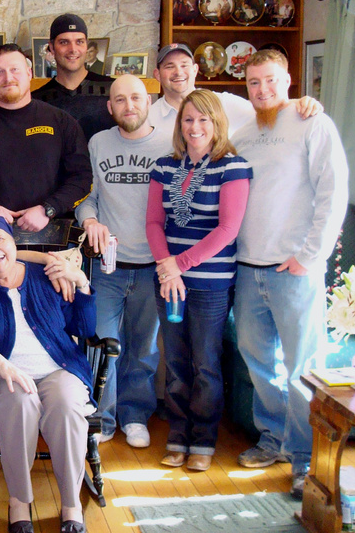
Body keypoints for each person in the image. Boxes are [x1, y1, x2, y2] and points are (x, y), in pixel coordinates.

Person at [232, 50, 348, 499]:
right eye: (254, 83)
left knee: (303, 368)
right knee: (259, 361)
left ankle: (305, 461)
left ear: (288, 79)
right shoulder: (243, 133)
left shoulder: (313, 123)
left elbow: (332, 191)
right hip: (247, 267)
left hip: (295, 269)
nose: (262, 90)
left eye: (270, 81)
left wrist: (310, 255)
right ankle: (273, 439)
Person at [0, 213, 97, 533]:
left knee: (68, 406)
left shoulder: (48, 276)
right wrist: (0, 363)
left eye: (1, 239)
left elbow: (84, 328)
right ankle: (19, 500)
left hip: (60, 369)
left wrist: (81, 281)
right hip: (1, 377)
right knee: (20, 401)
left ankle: (70, 502)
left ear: (14, 243)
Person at [145, 89, 252, 471]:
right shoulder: (164, 166)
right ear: (180, 124)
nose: (195, 127)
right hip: (168, 280)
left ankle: (203, 441)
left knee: (205, 362)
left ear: (217, 123)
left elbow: (227, 230)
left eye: (204, 119)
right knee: (174, 362)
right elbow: (154, 223)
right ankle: (178, 436)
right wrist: (165, 265)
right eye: (189, 119)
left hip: (210, 282)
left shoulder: (233, 167)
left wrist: (179, 264)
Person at [74, 74, 172, 448]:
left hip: (152, 267)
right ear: (109, 107)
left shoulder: (169, 144)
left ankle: (135, 415)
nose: (128, 105)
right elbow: (87, 196)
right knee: (102, 344)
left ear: (148, 102)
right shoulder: (98, 143)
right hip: (108, 267)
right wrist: (91, 220)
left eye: (136, 97)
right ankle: (103, 418)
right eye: (120, 100)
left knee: (143, 348)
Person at [0, 44, 92, 231]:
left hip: (52, 241)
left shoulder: (61, 122)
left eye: (15, 70)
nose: (8, 78)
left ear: (29, 73)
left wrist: (48, 209)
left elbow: (82, 177)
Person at [149, 43, 321, 137]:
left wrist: (300, 103)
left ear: (195, 69)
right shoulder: (149, 118)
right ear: (157, 74)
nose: (178, 72)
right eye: (169, 66)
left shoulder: (223, 102)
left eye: (184, 65)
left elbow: (267, 108)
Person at [32, 14, 114, 142]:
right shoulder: (37, 101)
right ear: (52, 48)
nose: (73, 49)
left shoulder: (113, 91)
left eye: (79, 42)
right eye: (64, 42)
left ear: (86, 46)